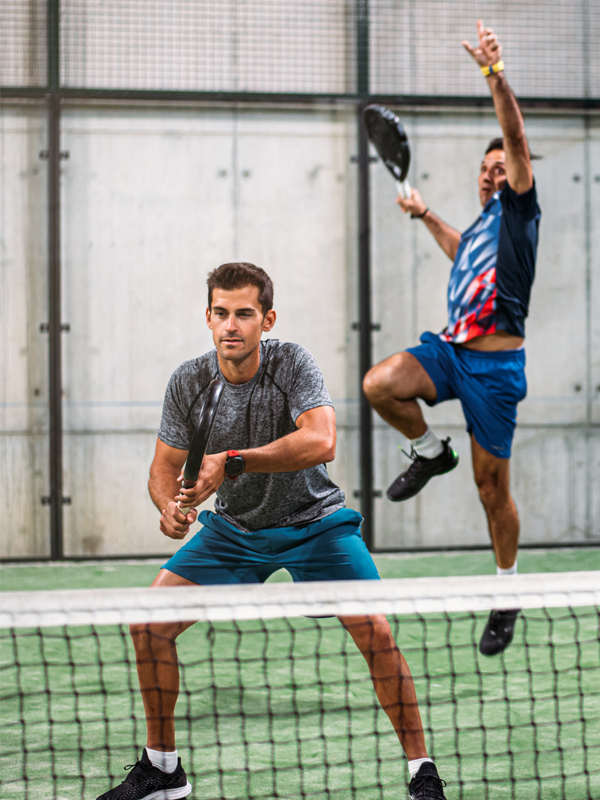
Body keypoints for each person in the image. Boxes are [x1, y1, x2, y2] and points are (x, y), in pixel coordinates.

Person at [98, 262, 448, 800]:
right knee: (148, 625)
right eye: (221, 313)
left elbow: (322, 440)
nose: (231, 325)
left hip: (316, 525)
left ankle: (422, 771)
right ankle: (163, 770)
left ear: (267, 319)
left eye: (244, 314)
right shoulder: (189, 382)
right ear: (208, 317)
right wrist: (168, 505)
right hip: (235, 530)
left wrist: (231, 462)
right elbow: (163, 465)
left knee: (375, 631)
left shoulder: (291, 363)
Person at [363, 21, 541, 657]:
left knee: (493, 490)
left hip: (495, 372)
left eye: (502, 167)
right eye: (486, 168)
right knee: (380, 383)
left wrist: (494, 72)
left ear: (515, 173)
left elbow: (515, 135)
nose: (493, 174)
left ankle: (507, 590)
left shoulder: (520, 215)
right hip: (450, 352)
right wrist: (424, 214)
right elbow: (459, 249)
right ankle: (432, 450)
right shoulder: (480, 230)